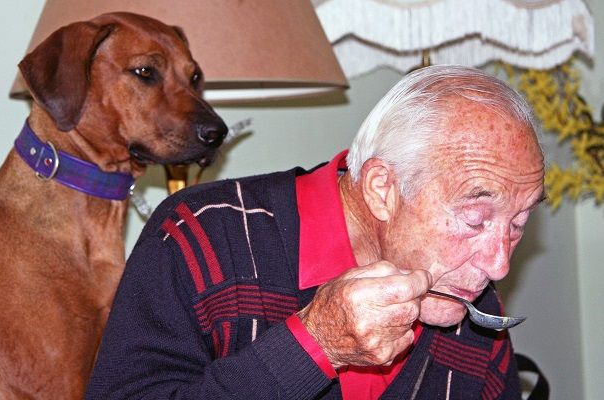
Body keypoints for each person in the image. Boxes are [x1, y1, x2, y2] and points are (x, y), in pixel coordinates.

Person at [84, 65, 545, 399]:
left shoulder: (473, 312)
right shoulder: (201, 235)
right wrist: (314, 345)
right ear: (383, 189)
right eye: (474, 220)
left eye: (518, 224)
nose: (499, 263)